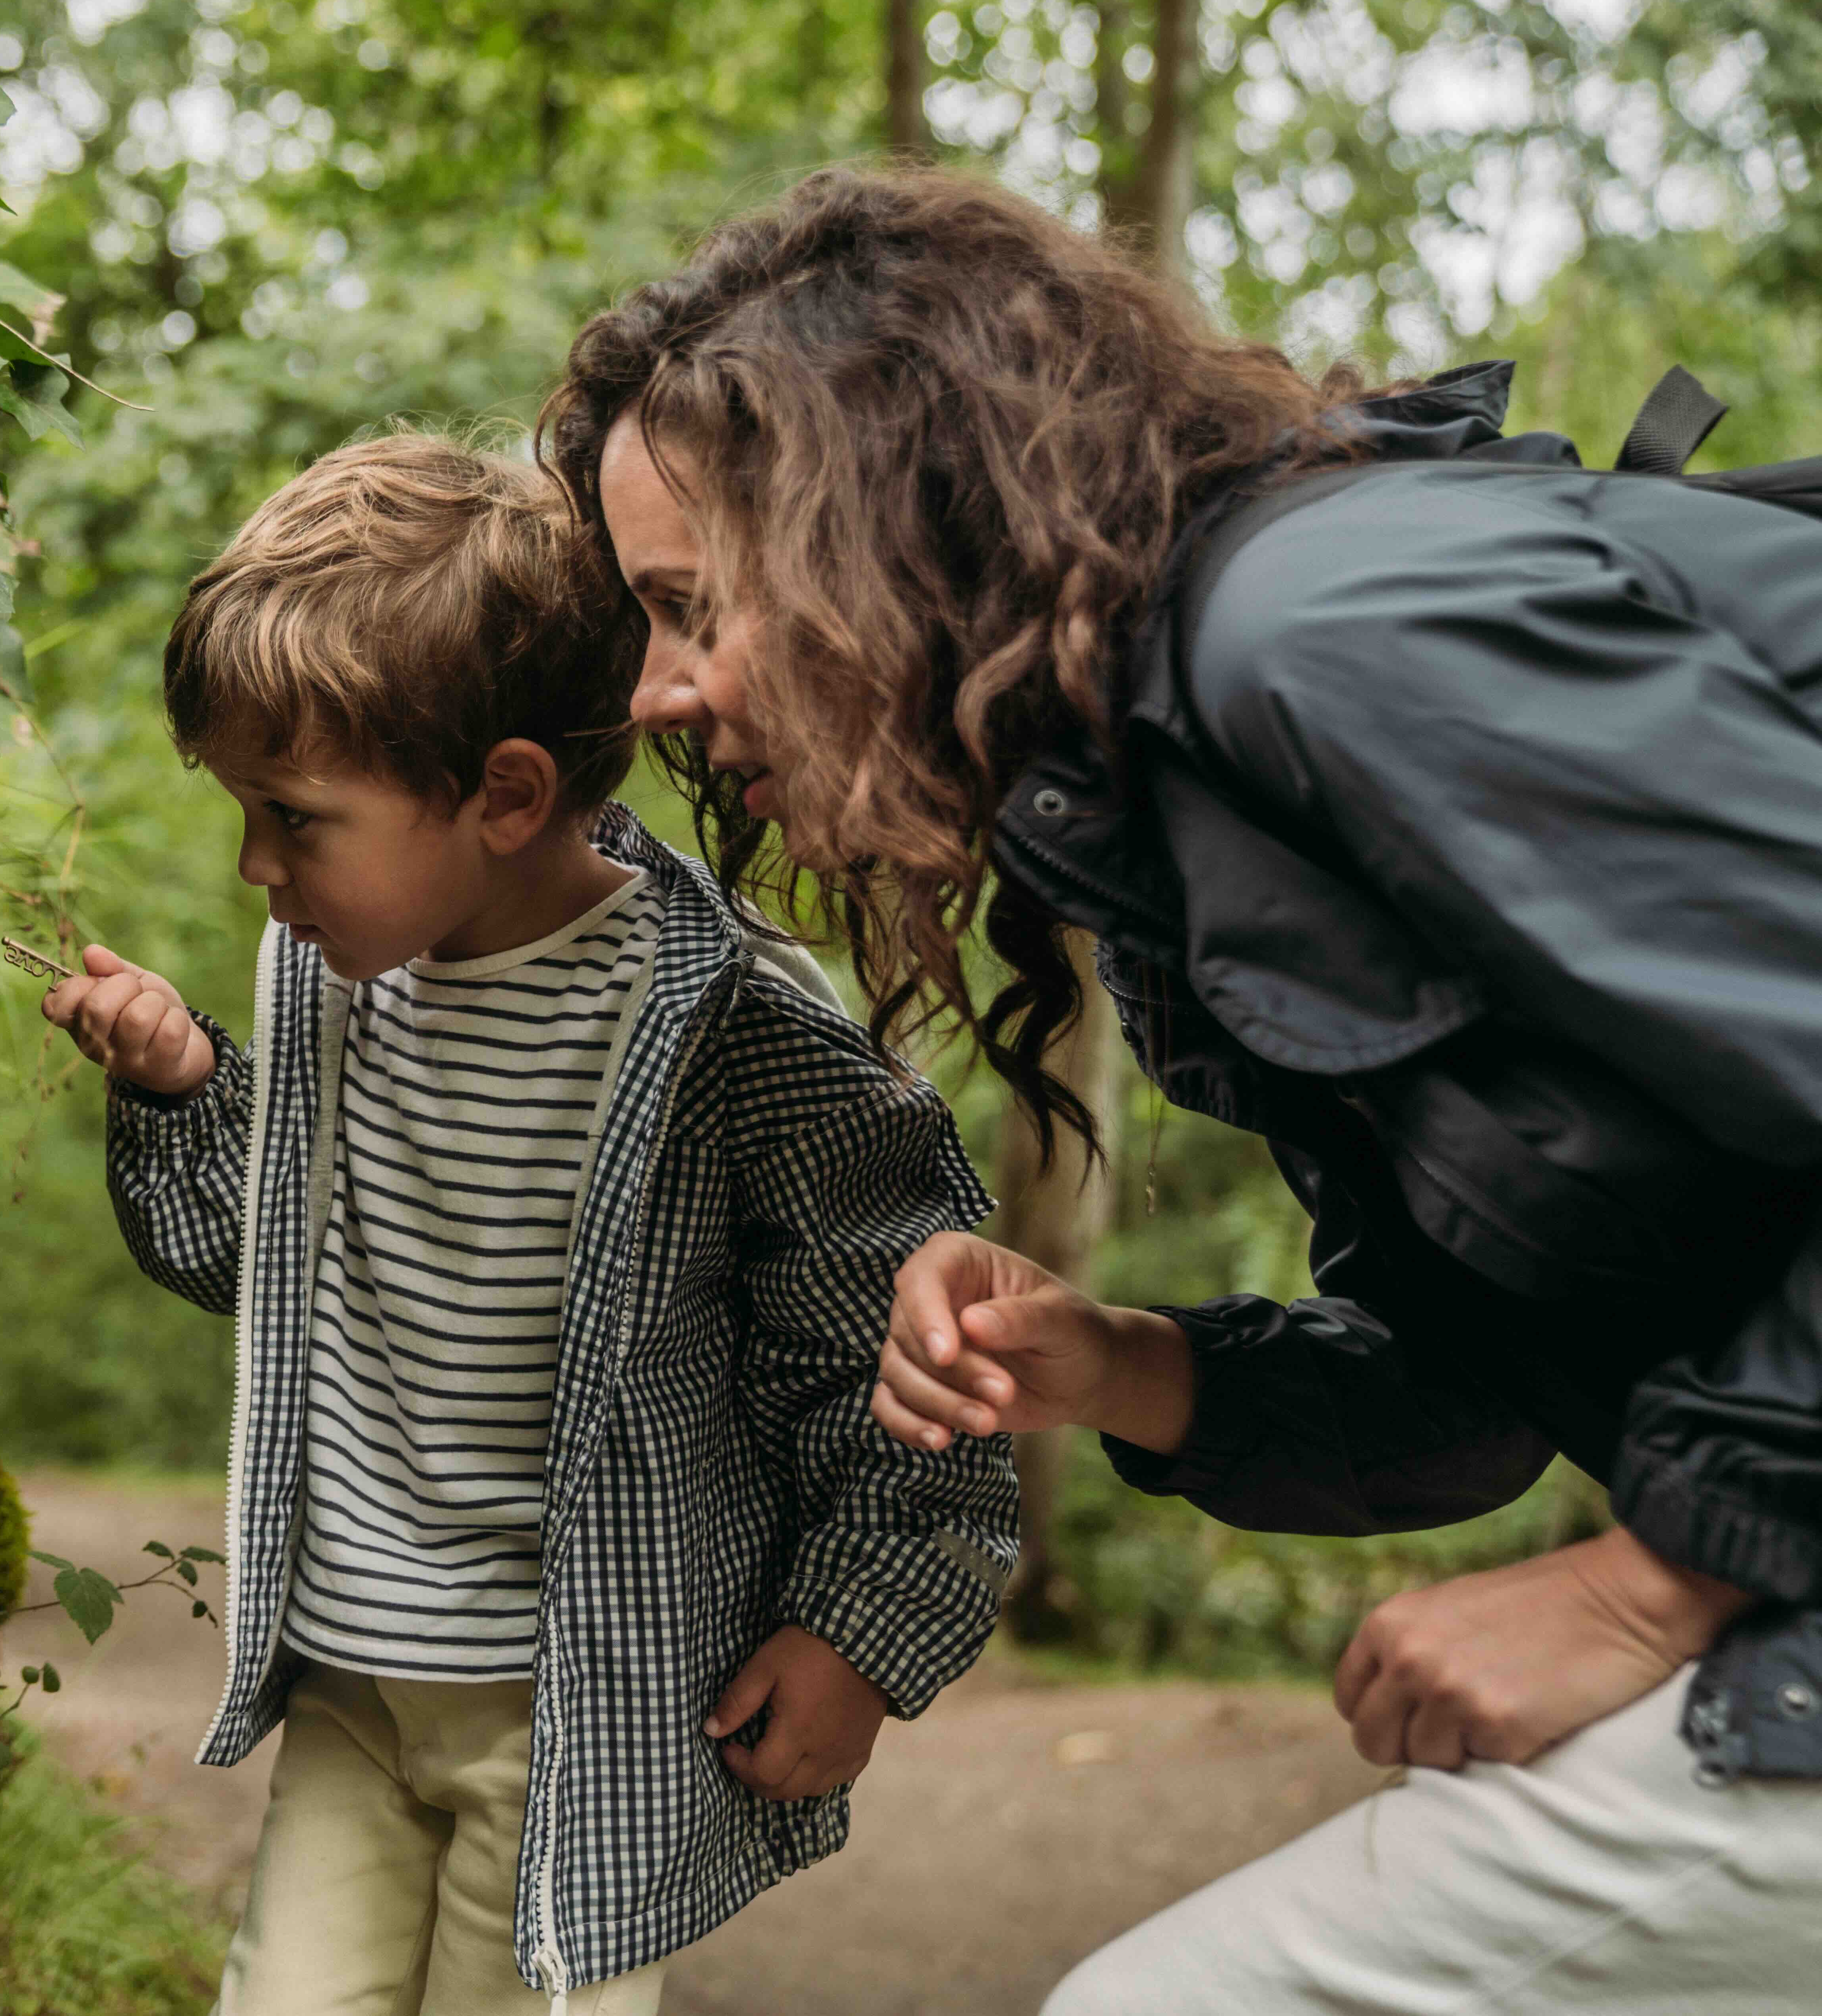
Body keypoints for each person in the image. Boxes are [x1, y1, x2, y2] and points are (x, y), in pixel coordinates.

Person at [545, 163, 1822, 2012]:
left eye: (691, 607)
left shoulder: (1323, 633)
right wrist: (1124, 1369)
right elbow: (1489, 1400)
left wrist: (1649, 1590)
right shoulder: (1155, 786)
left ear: (874, 532)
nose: (657, 697)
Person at [34, 432, 1019, 2016]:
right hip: (353, 1684)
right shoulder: (328, 985)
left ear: (501, 794)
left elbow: (897, 1338)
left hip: (578, 1705)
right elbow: (253, 1267)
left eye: (294, 818)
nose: (253, 867)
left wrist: (856, 1628)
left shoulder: (727, 1023)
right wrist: (182, 1090)